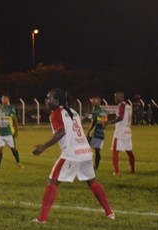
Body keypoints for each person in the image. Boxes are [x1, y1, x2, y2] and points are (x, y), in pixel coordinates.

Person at [32, 88, 115, 223]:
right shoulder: (74, 112)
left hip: (72, 153)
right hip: (86, 151)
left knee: (52, 182)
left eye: (50, 98)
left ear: (57, 101)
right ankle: (109, 213)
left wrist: (43, 147)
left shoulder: (55, 113)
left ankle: (42, 219)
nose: (47, 100)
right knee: (92, 181)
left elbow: (61, 132)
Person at [0, 95, 24, 169]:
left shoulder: (11, 109)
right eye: (3, 99)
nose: (4, 100)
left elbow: (15, 121)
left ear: (8, 100)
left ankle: (18, 161)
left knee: (13, 148)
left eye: (6, 99)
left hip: (9, 133)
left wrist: (16, 132)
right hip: (0, 133)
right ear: (1, 100)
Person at [106, 91, 135, 175]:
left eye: (116, 97)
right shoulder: (129, 106)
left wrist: (109, 122)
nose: (115, 98)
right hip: (128, 131)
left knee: (115, 151)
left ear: (121, 97)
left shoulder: (121, 105)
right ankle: (132, 170)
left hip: (120, 132)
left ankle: (116, 172)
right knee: (129, 152)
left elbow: (120, 117)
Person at [87, 97, 107, 170]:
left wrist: (89, 131)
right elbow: (95, 121)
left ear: (98, 101)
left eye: (93, 101)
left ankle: (95, 167)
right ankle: (94, 166)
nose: (92, 102)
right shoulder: (96, 109)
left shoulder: (101, 110)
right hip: (98, 132)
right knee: (95, 150)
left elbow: (102, 123)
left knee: (93, 150)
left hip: (97, 132)